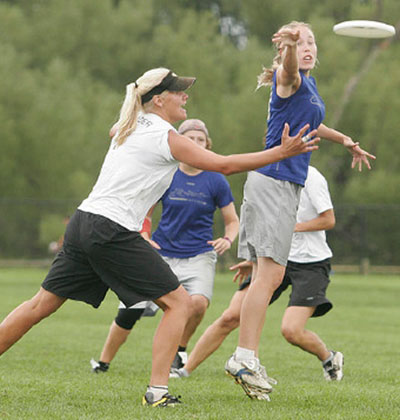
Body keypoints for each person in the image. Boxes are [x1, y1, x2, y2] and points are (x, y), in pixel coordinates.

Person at [0, 67, 319, 408]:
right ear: (158, 100)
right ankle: (157, 392)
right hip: (111, 228)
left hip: (83, 223)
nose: (185, 96)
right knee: (179, 303)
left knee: (39, 305)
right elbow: (223, 165)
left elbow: (119, 126)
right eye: (178, 91)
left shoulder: (131, 124)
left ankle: (157, 389)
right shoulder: (163, 136)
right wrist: (280, 153)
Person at [224, 21, 375, 400]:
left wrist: (344, 140)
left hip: (273, 183)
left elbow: (314, 122)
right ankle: (244, 358)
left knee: (265, 277)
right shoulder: (287, 75)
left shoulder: (308, 85)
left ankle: (248, 359)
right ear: (284, 51)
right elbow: (288, 70)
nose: (307, 47)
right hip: (274, 182)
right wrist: (289, 48)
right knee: (269, 278)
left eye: (311, 42)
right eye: (300, 42)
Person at [171, 166, 342, 401]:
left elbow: (328, 219)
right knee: (231, 316)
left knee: (291, 330)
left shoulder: (311, 176)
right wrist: (252, 260)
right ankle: (185, 370)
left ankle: (329, 358)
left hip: (311, 263)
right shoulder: (266, 174)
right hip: (273, 257)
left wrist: (289, 228)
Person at [90, 118, 240, 376]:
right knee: (131, 309)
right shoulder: (166, 173)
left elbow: (233, 221)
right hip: (161, 253)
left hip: (199, 255)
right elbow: (145, 211)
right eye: (190, 139)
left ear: (207, 144)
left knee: (198, 304)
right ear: (179, 143)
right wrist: (145, 235)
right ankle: (103, 362)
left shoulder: (216, 180)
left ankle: (179, 350)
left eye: (200, 140)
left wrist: (227, 239)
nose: (195, 143)